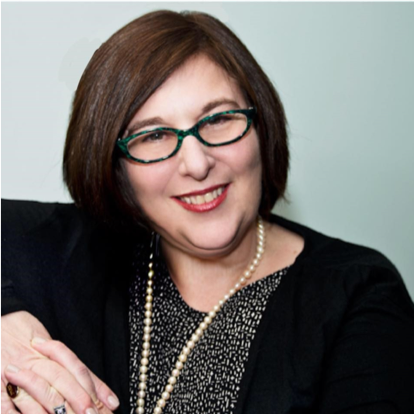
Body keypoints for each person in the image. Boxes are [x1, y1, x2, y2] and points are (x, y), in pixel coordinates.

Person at [1, 9, 414, 414]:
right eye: (154, 135)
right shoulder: (72, 253)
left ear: (260, 126)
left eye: (218, 119)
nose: (197, 164)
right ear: (116, 167)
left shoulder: (359, 293)